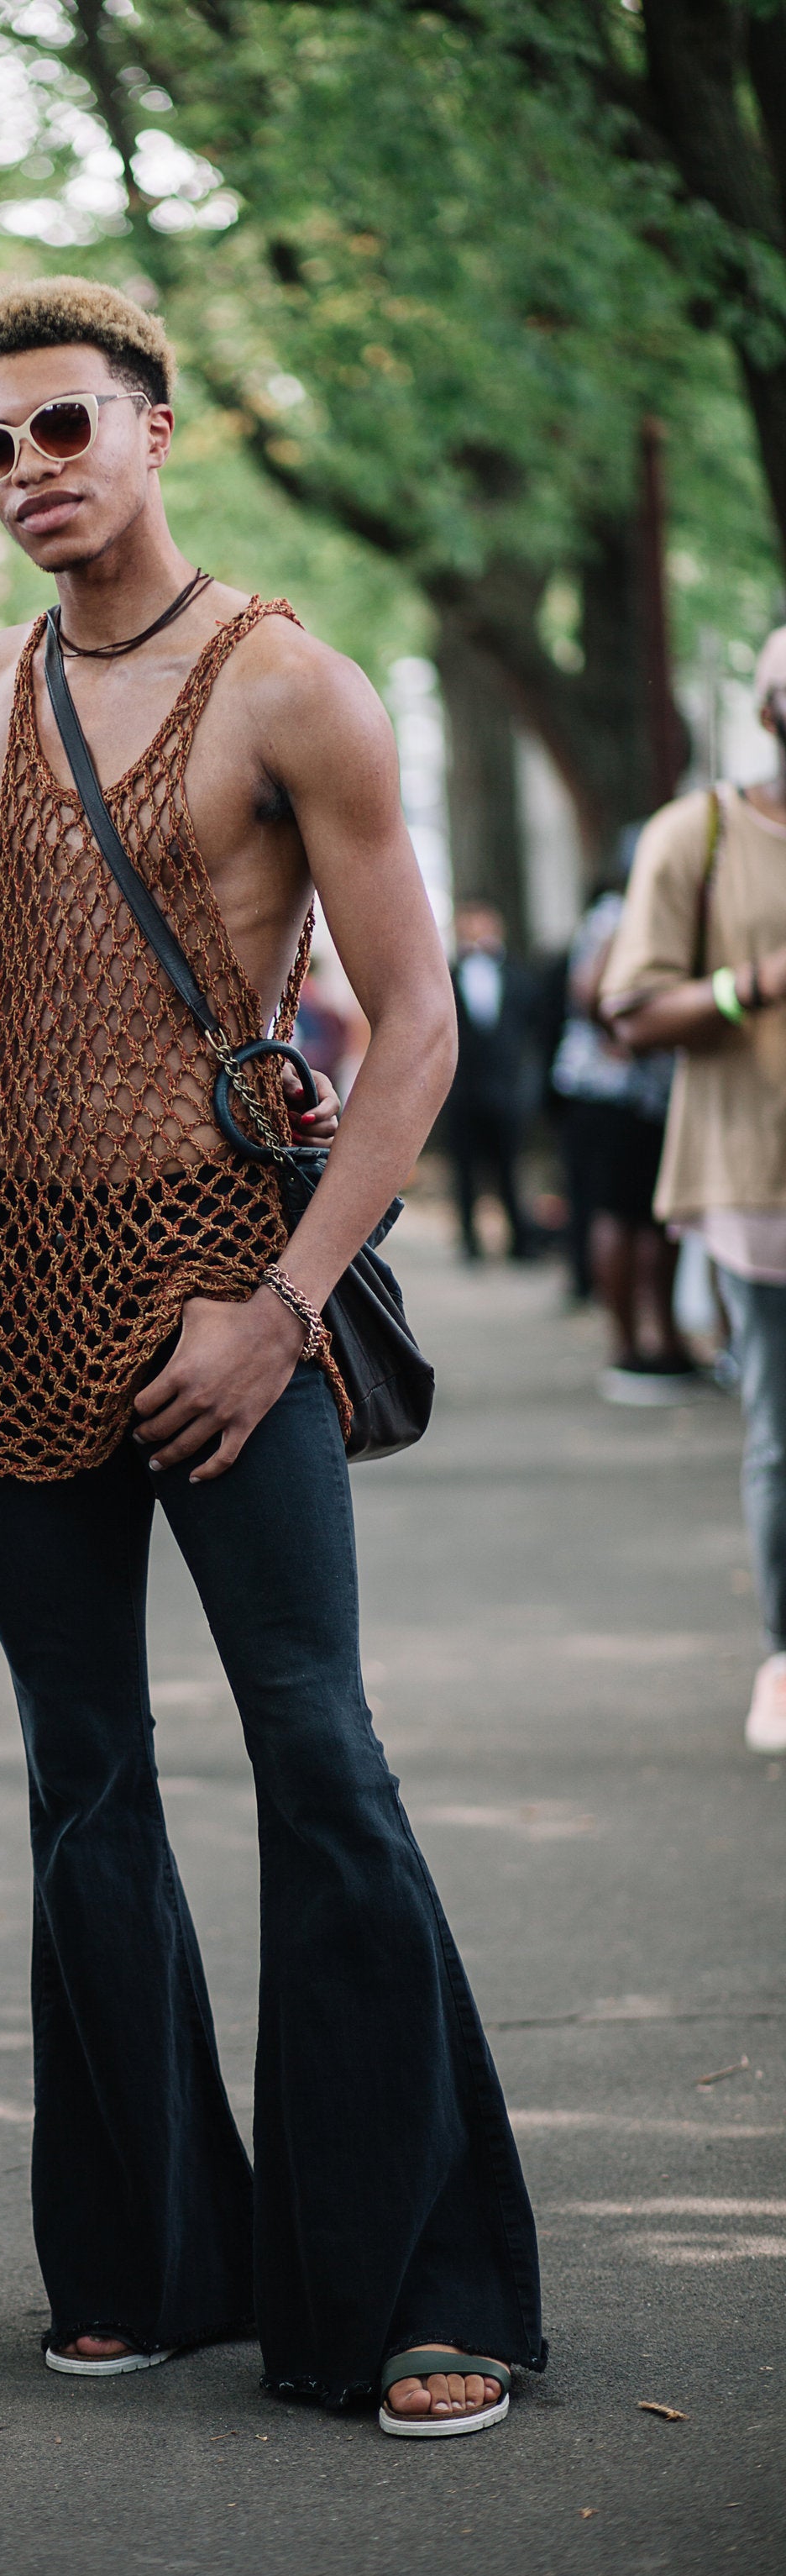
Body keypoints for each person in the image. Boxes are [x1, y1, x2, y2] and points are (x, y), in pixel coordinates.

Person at [0, 278, 545, 2432]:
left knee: (315, 1752)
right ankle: (147, 2247)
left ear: (154, 426)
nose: (30, 472)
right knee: (84, 1779)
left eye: (62, 425)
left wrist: (276, 1311)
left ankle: (412, 2280)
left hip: (219, 1295)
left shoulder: (293, 687)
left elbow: (417, 1028)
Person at [603, 625, 786, 1753]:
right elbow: (631, 1012)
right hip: (757, 1177)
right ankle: (783, 1654)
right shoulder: (700, 833)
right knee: (783, 1425)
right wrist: (755, 981)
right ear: (770, 711)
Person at [553, 875, 696, 1402]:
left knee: (657, 1217)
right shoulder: (620, 914)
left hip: (649, 1095)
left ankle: (666, 1340)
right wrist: (623, 1036)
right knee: (619, 1213)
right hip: (614, 1092)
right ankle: (628, 1348)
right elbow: (591, 991)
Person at [446, 899, 537, 1262]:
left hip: (507, 1087)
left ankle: (521, 1240)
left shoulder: (517, 976)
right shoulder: (447, 975)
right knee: (465, 1169)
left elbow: (532, 1028)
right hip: (462, 1090)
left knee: (511, 1167)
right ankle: (470, 1242)